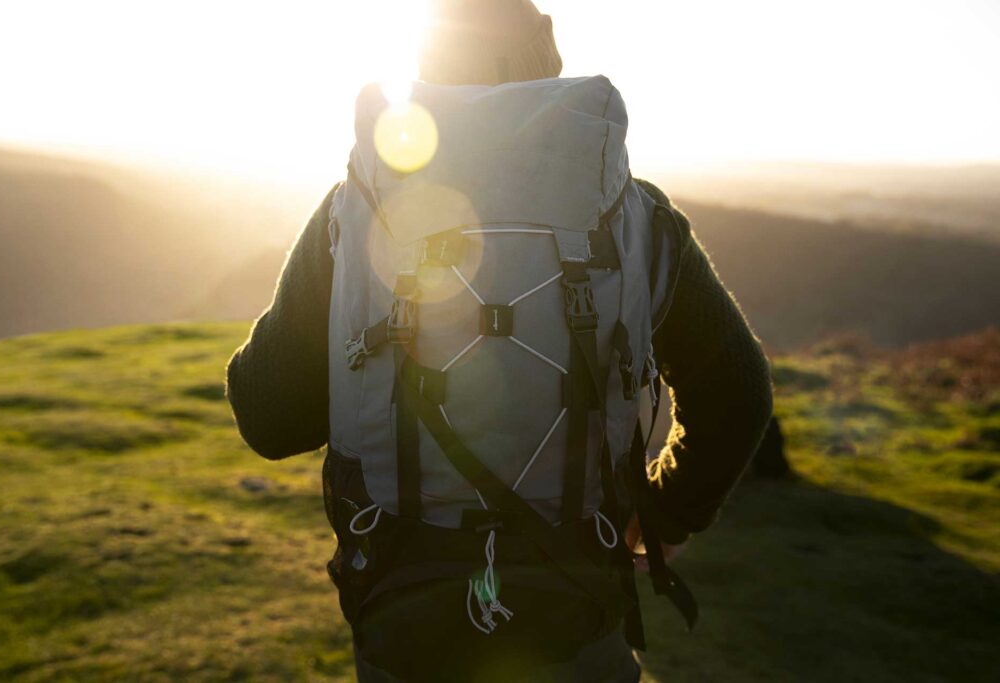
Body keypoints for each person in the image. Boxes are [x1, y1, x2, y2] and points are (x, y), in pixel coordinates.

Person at [226, 1, 773, 680]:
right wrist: (667, 515)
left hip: (404, 614)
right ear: (547, 57)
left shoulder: (355, 210)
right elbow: (739, 395)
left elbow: (270, 416)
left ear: (428, 66)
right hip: (576, 610)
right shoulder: (635, 216)